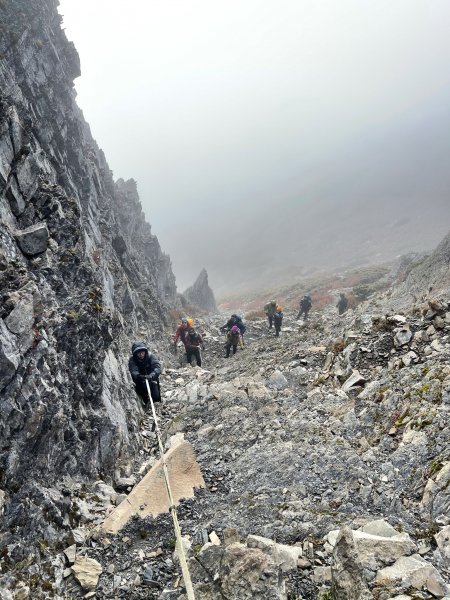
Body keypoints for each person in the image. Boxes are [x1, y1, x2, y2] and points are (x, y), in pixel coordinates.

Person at [128, 342, 162, 407]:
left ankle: (156, 406)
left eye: (142, 352)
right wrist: (139, 376)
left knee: (156, 398)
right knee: (144, 397)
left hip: (152, 379)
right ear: (135, 353)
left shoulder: (151, 356)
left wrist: (152, 375)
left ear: (145, 351)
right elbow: (133, 371)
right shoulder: (132, 360)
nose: (141, 354)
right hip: (140, 381)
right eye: (138, 353)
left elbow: (157, 367)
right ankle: (146, 403)